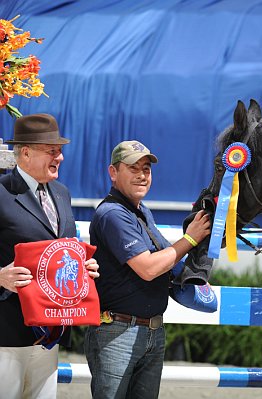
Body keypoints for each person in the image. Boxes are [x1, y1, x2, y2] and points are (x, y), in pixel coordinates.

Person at [84, 140, 211, 399]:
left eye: (146, 169)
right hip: (117, 332)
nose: (142, 175)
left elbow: (169, 259)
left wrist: (207, 231)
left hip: (150, 330)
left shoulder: (141, 212)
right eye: (133, 168)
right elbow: (149, 268)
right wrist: (191, 239)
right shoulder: (113, 214)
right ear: (113, 172)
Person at [0, 113, 100, 399]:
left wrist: (83, 267)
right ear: (26, 153)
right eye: (52, 151)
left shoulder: (62, 193)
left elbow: (62, 248)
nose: (61, 158)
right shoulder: (2, 193)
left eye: (60, 151)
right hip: (7, 330)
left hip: (51, 330)